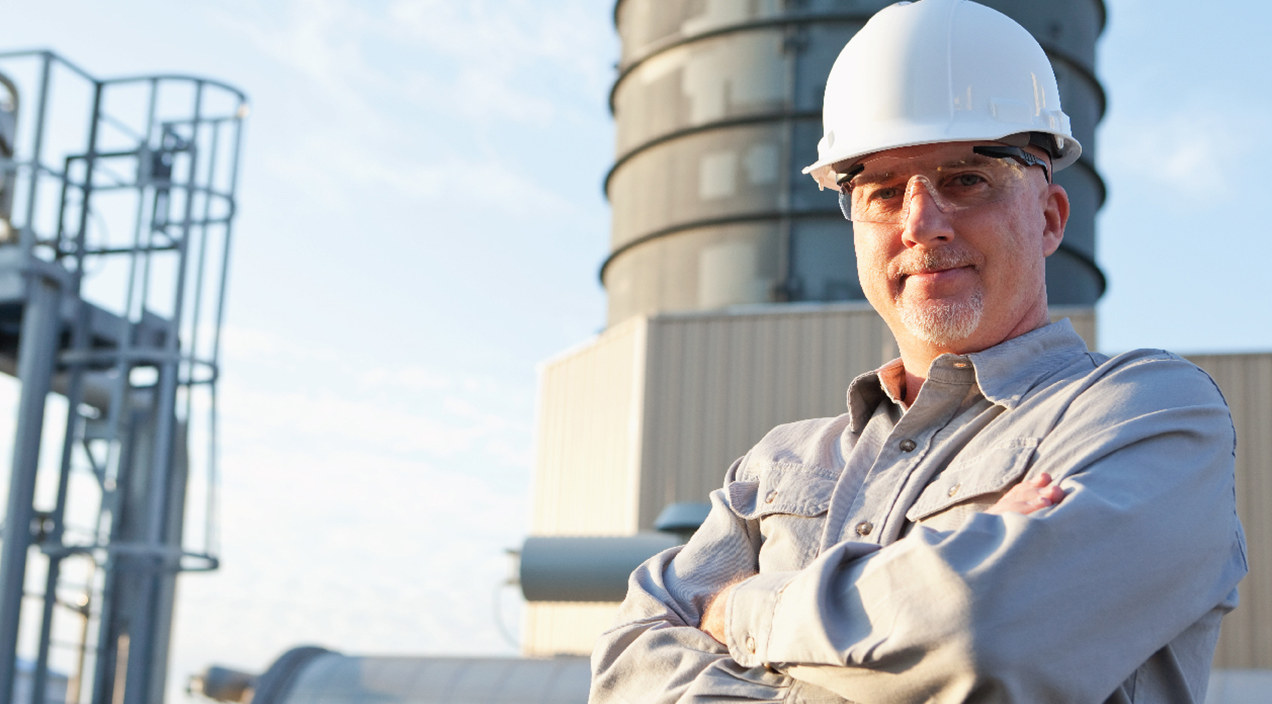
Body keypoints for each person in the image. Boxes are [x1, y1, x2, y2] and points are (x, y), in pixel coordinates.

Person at [589, 0, 1247, 702]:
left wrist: (740, 613)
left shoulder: (1144, 415)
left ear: (1052, 217)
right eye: (883, 192)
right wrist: (917, 600)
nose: (922, 224)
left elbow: (984, 635)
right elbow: (629, 660)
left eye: (967, 179)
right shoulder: (776, 465)